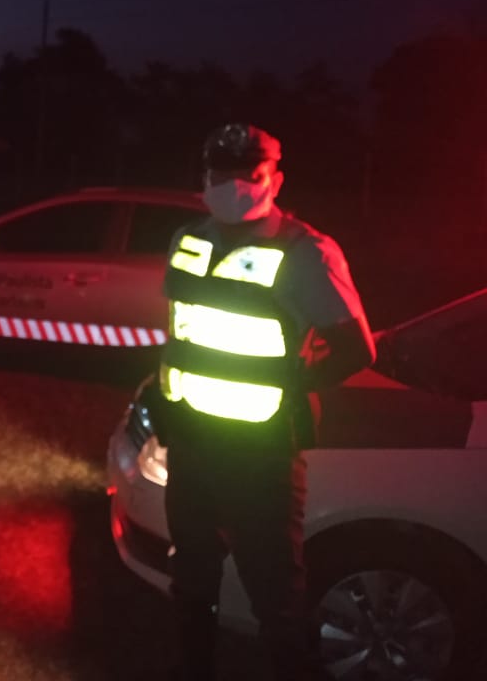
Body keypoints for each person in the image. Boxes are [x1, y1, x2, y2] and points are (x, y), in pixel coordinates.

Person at [151, 123, 376, 681]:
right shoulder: (188, 238)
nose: (234, 187)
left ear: (275, 179)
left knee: (276, 597)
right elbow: (182, 329)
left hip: (261, 454)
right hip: (191, 440)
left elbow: (356, 350)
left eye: (249, 176)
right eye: (221, 176)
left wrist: (292, 386)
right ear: (204, 179)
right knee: (193, 578)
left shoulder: (306, 253)